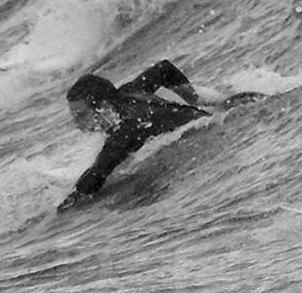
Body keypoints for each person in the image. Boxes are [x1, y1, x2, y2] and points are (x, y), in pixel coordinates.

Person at [57, 60, 224, 211]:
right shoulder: (129, 91)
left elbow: (98, 173)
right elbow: (164, 68)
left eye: (81, 115)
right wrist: (193, 98)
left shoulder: (126, 129)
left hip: (208, 133)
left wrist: (63, 208)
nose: (77, 124)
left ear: (104, 107)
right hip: (209, 121)